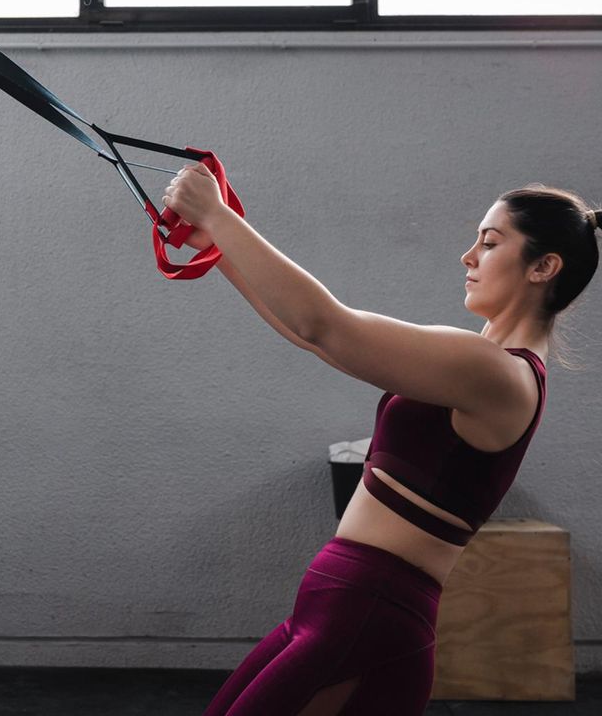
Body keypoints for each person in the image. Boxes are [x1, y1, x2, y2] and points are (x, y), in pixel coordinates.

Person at [162, 167, 600, 716]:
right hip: (337, 607)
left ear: (543, 267)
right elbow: (312, 337)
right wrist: (217, 243)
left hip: (367, 618)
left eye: (490, 243)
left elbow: (327, 325)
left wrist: (218, 215)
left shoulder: (497, 373)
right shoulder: (475, 364)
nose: (468, 256)